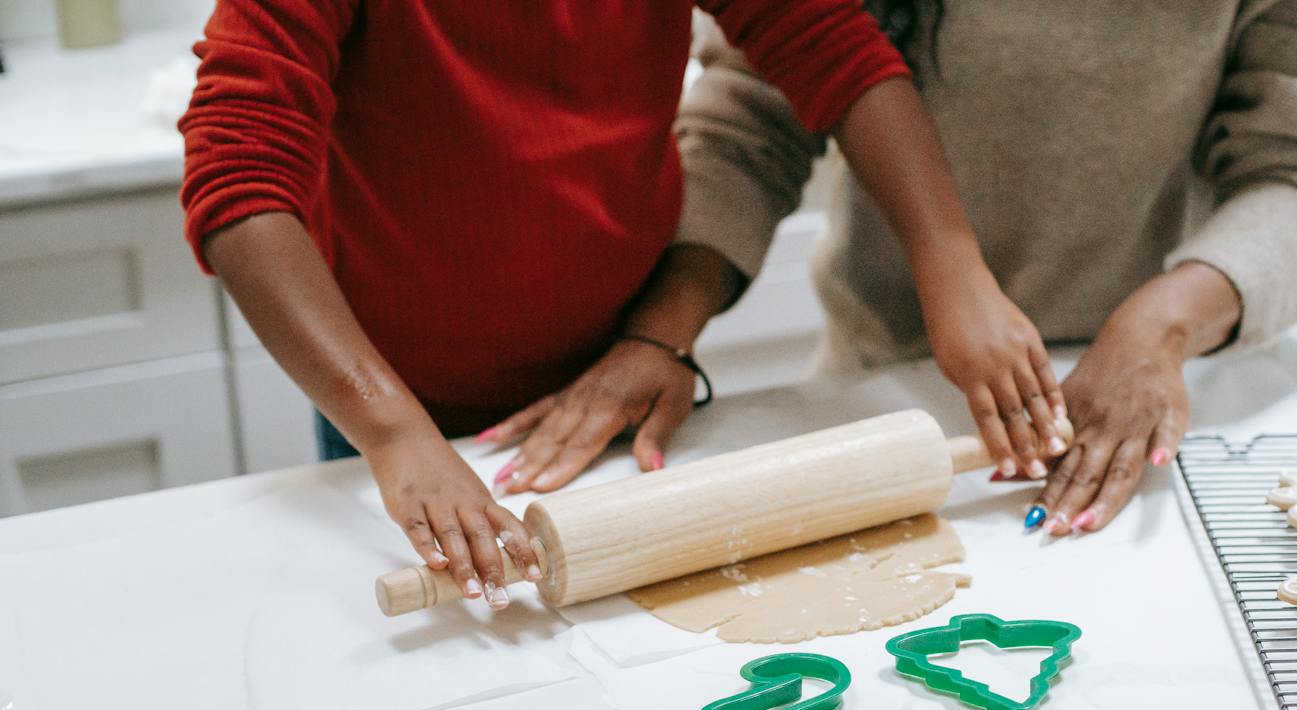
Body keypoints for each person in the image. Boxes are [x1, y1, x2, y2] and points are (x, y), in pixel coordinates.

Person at [180, 1, 1062, 610]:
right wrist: (391, 430)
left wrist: (950, 263)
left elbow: (829, 43)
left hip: (622, 380)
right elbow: (239, 173)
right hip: (404, 406)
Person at [672, 0, 1297, 534]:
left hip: (1145, 403)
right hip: (886, 390)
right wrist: (661, 328)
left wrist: (1163, 324)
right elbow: (754, 110)